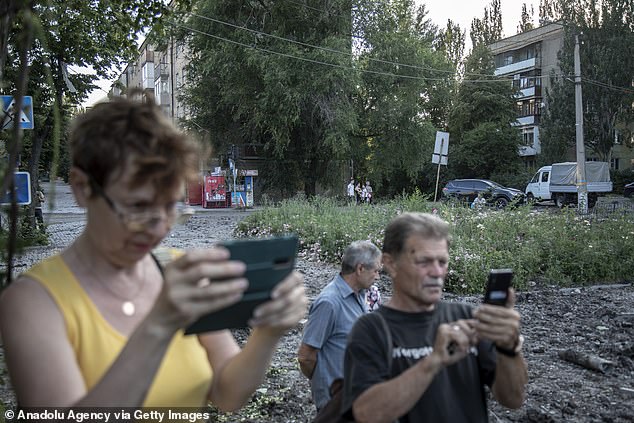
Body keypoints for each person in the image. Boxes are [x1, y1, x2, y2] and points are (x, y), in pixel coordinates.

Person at [0, 94, 307, 409]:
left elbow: (228, 395)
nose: (159, 228)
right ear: (81, 188)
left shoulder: (174, 271)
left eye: (171, 207)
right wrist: (160, 324)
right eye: (138, 207)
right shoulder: (32, 302)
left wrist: (268, 332)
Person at [342, 212, 528, 422]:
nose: (437, 272)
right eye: (424, 262)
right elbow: (366, 413)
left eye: (442, 261)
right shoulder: (370, 329)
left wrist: (509, 348)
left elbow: (513, 399)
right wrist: (433, 362)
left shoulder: (467, 317)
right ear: (390, 263)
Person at [298, 241, 382, 411]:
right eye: (376, 271)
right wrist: (323, 381)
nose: (378, 276)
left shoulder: (359, 295)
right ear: (360, 269)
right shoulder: (329, 303)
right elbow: (306, 357)